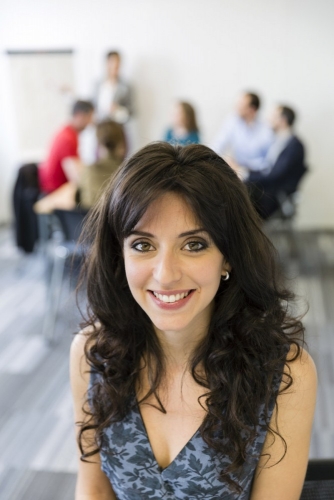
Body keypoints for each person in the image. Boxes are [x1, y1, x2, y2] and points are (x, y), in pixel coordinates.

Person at [70, 143, 317, 499]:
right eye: (142, 245)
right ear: (119, 255)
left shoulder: (285, 373)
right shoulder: (92, 353)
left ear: (228, 257)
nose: (166, 274)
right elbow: (92, 489)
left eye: (194, 245)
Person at [246, 105, 307, 219]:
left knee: (238, 191)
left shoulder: (295, 146)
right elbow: (267, 168)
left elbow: (275, 175)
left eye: (274, 116)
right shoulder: (278, 141)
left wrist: (248, 176)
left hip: (275, 195)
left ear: (283, 120)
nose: (269, 119)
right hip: (269, 190)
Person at [38, 100, 94, 194]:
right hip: (54, 192)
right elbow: (76, 177)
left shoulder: (68, 133)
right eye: (89, 117)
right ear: (79, 115)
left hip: (57, 188)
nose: (91, 122)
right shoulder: (67, 138)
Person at [211, 91, 273, 173]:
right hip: (238, 172)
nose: (237, 107)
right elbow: (218, 143)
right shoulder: (233, 121)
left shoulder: (266, 130)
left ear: (252, 109)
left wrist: (243, 167)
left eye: (241, 105)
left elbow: (268, 162)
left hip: (258, 174)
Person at [78, 120, 126, 209]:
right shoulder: (127, 173)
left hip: (88, 221)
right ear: (121, 145)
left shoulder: (88, 171)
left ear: (98, 144)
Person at [96, 51, 133, 124]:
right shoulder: (97, 85)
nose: (116, 65)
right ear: (107, 63)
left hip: (118, 127)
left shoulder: (126, 86)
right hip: (101, 127)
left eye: (118, 62)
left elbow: (132, 111)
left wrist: (118, 110)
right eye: (113, 61)